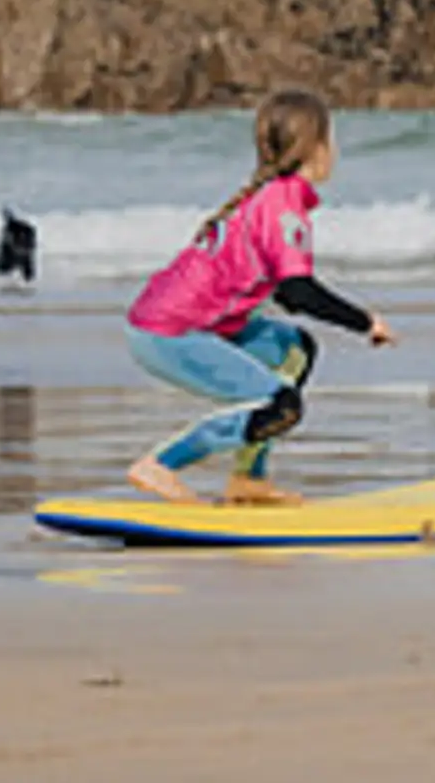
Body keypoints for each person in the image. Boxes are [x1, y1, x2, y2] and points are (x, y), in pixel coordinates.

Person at [124, 90, 396, 505]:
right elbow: (297, 291)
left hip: (189, 323)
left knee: (295, 349)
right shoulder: (282, 207)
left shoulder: (271, 196)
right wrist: (366, 322)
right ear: (315, 148)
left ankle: (248, 479)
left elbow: (282, 294)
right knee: (281, 406)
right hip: (170, 332)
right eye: (331, 139)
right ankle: (161, 465)